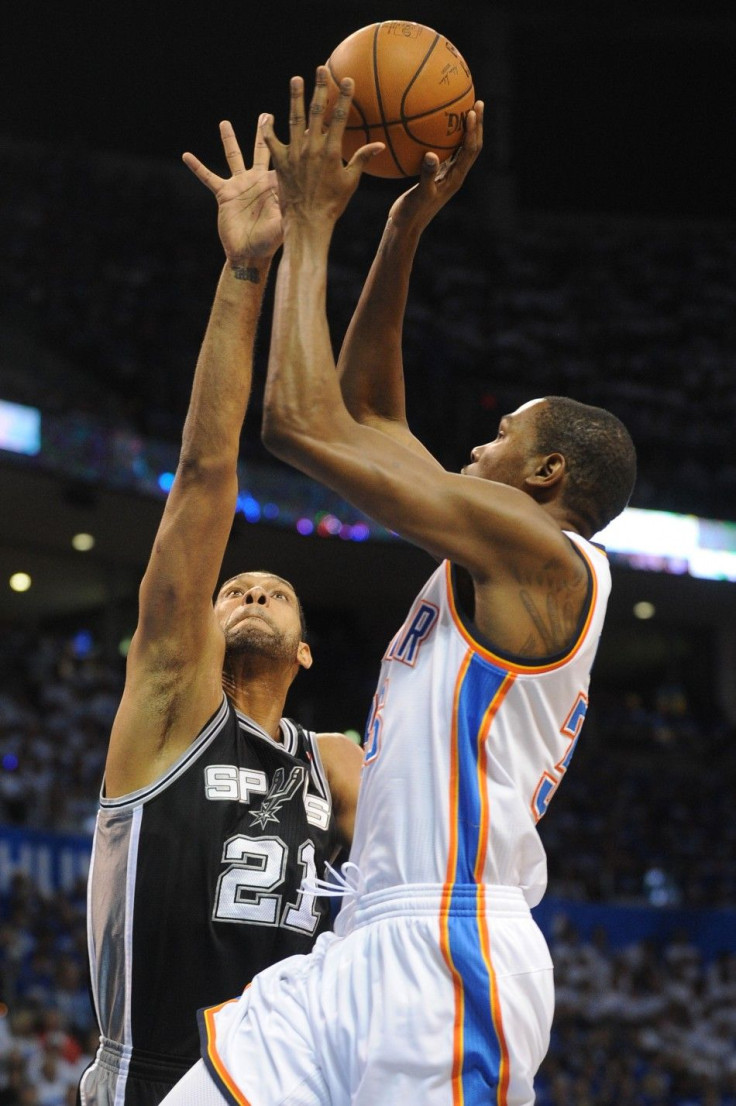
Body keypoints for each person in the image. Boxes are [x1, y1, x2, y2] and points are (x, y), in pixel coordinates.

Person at [162, 70, 637, 1106]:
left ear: (549, 475)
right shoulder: (494, 554)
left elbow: (304, 421)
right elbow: (372, 412)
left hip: (448, 957)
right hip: (357, 941)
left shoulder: (544, 555)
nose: (473, 442)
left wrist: (316, 223)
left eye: (502, 433)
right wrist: (407, 217)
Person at [79, 116, 363, 1106]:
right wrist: (248, 272)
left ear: (306, 648)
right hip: (156, 1081)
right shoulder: (165, 706)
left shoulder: (335, 762)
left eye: (272, 591)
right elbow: (205, 476)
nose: (246, 589)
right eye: (234, 585)